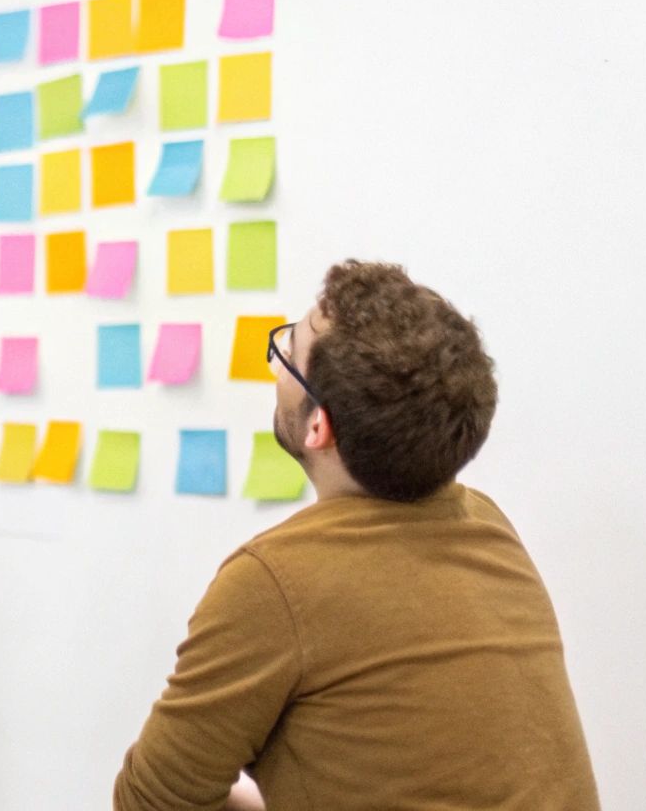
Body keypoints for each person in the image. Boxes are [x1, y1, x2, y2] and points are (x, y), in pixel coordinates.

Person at [114, 260, 600, 811]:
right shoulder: (488, 525)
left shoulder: (274, 582)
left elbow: (151, 802)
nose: (278, 369)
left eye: (286, 354)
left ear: (318, 425)